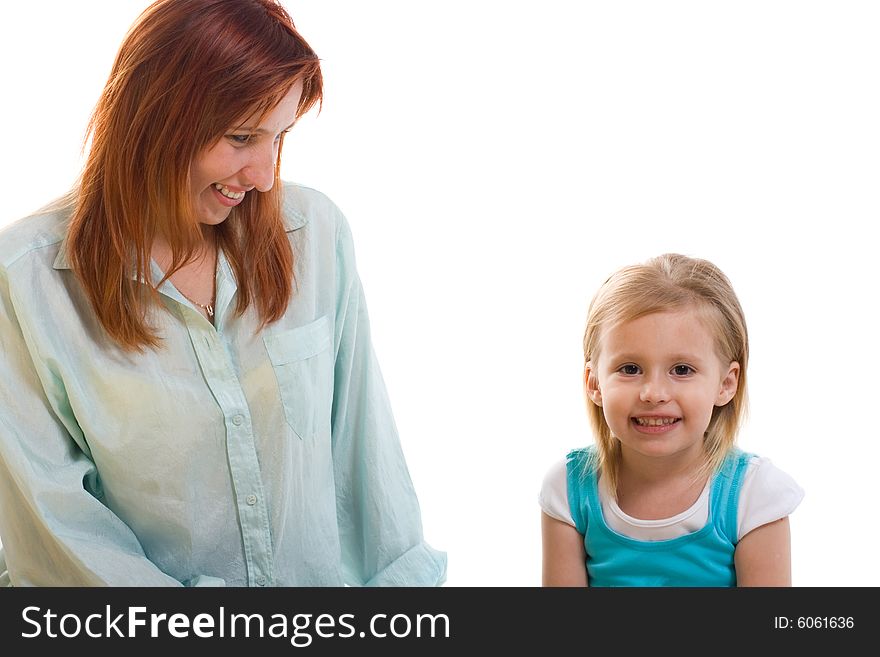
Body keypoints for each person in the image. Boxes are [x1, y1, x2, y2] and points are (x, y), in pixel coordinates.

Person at [0, 0, 445, 587]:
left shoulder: (314, 233)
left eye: (278, 138)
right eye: (241, 138)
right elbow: (57, 536)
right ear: (154, 119)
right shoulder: (27, 280)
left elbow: (368, 468)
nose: (263, 174)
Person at [539, 253, 803, 586]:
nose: (653, 393)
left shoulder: (755, 495)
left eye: (682, 370)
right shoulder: (568, 488)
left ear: (726, 384)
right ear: (595, 384)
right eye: (630, 369)